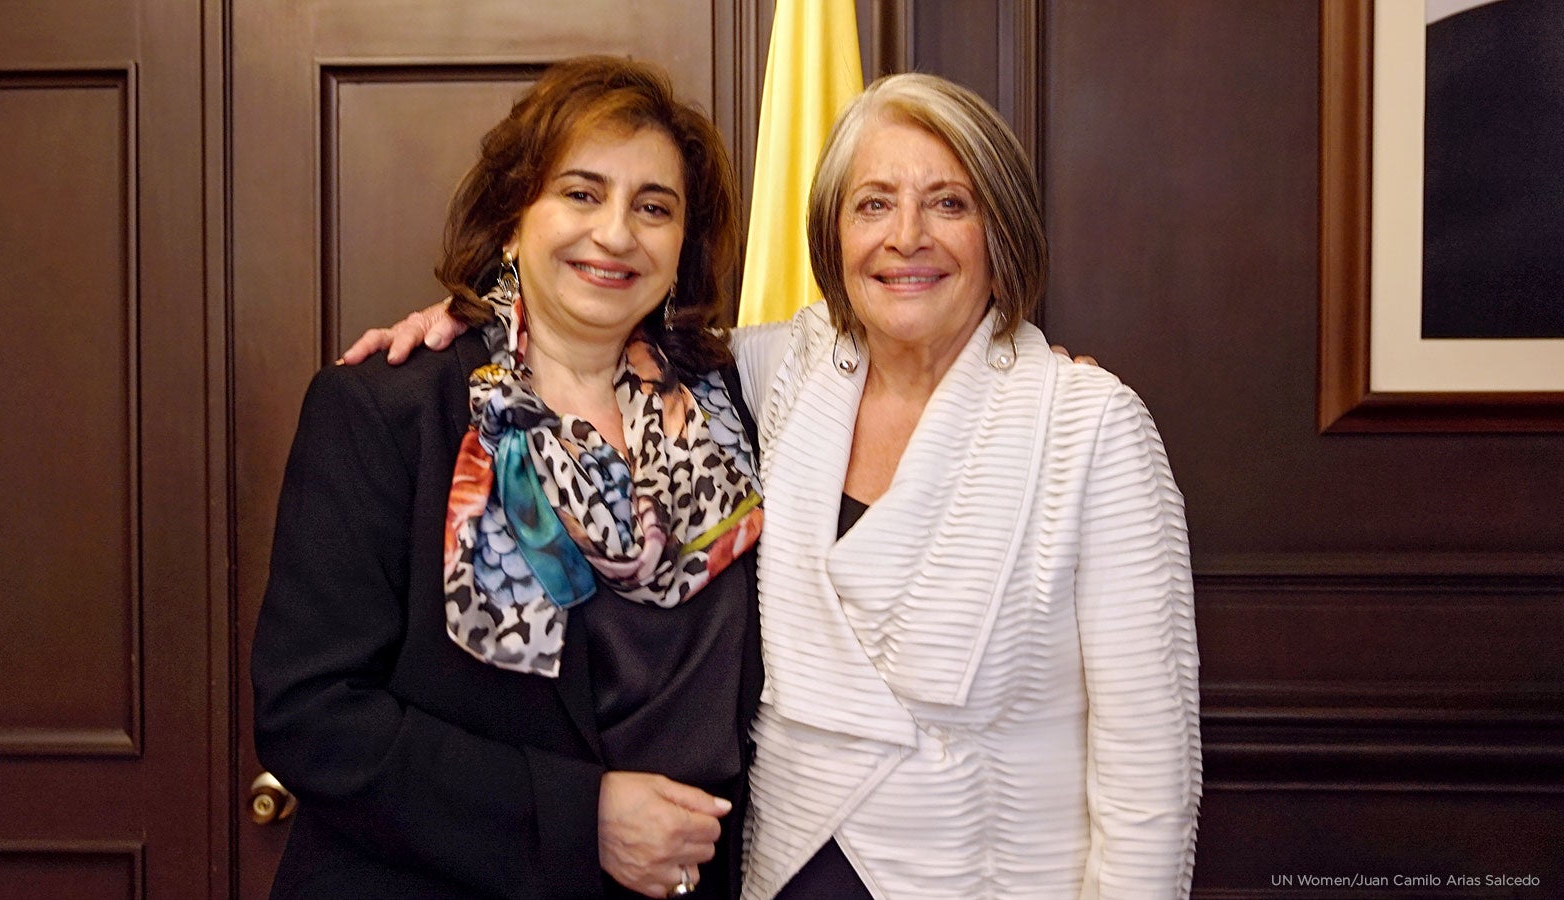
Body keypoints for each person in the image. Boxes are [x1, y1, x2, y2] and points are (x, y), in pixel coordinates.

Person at [347, 73, 1201, 899]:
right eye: (872, 204)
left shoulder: (1089, 425)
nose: (906, 236)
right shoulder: (767, 376)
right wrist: (470, 316)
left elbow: (1148, 774)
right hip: (777, 874)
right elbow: (596, 312)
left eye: (949, 202)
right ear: (832, 236)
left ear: (1002, 233)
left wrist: (1056, 398)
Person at [252, 56, 766, 900]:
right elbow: (311, 716)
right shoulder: (389, 412)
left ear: (686, 243)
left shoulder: (738, 413)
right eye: (581, 193)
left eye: (654, 207)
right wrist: (578, 818)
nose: (615, 234)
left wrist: (1058, 378)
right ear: (512, 219)